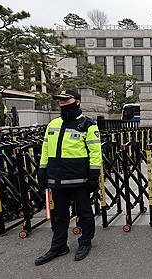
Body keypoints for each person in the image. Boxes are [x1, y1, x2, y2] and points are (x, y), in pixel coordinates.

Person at [35, 90, 102, 265]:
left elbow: (96, 153)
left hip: (79, 179)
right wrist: (42, 171)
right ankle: (58, 246)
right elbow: (45, 150)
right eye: (60, 100)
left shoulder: (88, 124)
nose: (63, 103)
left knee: (85, 213)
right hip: (57, 178)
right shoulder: (53, 124)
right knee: (59, 215)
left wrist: (94, 175)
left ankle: (85, 242)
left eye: (66, 99)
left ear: (77, 102)